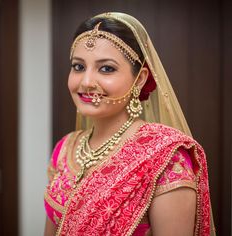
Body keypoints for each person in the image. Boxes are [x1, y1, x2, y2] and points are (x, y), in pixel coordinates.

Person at [44, 12, 216, 236]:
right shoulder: (66, 149)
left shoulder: (165, 157)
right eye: (78, 67)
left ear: (141, 78)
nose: (86, 82)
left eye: (106, 68)